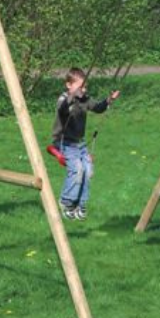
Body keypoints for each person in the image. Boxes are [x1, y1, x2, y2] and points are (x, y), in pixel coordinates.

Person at [51, 67, 120, 220]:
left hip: (80, 144)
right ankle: (66, 201)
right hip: (65, 143)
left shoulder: (84, 99)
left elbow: (98, 108)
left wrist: (109, 100)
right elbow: (62, 110)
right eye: (80, 86)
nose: (83, 89)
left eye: (84, 86)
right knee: (77, 170)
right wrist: (72, 97)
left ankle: (80, 204)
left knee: (88, 171)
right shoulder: (63, 99)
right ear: (69, 85)